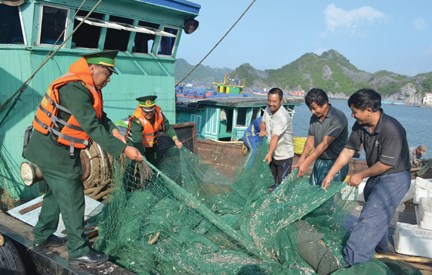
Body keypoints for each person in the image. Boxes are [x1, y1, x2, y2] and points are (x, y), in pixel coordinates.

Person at [23, 50, 143, 266]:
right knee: (73, 197)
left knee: (54, 195)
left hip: (57, 150)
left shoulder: (88, 88)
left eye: (110, 75)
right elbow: (91, 125)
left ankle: (42, 236)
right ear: (92, 69)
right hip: (52, 152)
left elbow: (101, 117)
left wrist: (115, 132)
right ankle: (78, 250)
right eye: (106, 73)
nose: (108, 79)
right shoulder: (74, 89)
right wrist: (125, 150)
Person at [321, 88, 411, 267]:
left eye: (355, 111)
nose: (352, 115)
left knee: (369, 218)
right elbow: (348, 150)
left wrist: (359, 175)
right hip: (376, 175)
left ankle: (354, 263)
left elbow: (386, 164)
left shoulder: (392, 128)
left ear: (368, 110)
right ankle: (382, 249)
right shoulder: (360, 126)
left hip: (395, 177)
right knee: (377, 212)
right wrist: (330, 174)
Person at [293, 88, 349, 185]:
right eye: (310, 109)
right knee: (313, 191)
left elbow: (325, 143)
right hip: (320, 160)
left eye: (315, 108)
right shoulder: (314, 117)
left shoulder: (338, 117)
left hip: (336, 162)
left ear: (325, 104)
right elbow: (310, 140)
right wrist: (301, 160)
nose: (312, 112)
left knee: (328, 193)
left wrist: (306, 163)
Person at [126, 95, 182, 166]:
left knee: (155, 163)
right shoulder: (137, 120)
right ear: (141, 108)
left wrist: (176, 140)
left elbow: (167, 127)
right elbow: (137, 142)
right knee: (135, 166)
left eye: (151, 111)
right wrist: (143, 159)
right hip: (136, 145)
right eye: (146, 112)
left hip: (151, 144)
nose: (149, 114)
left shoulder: (158, 113)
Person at [259, 88, 294, 191]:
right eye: (269, 100)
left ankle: (282, 203)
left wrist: (269, 153)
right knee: (273, 182)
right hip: (273, 153)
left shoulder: (282, 116)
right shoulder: (268, 109)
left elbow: (275, 137)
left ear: (281, 101)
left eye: (274, 101)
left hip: (284, 155)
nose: (271, 104)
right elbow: (263, 121)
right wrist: (263, 130)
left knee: (282, 185)